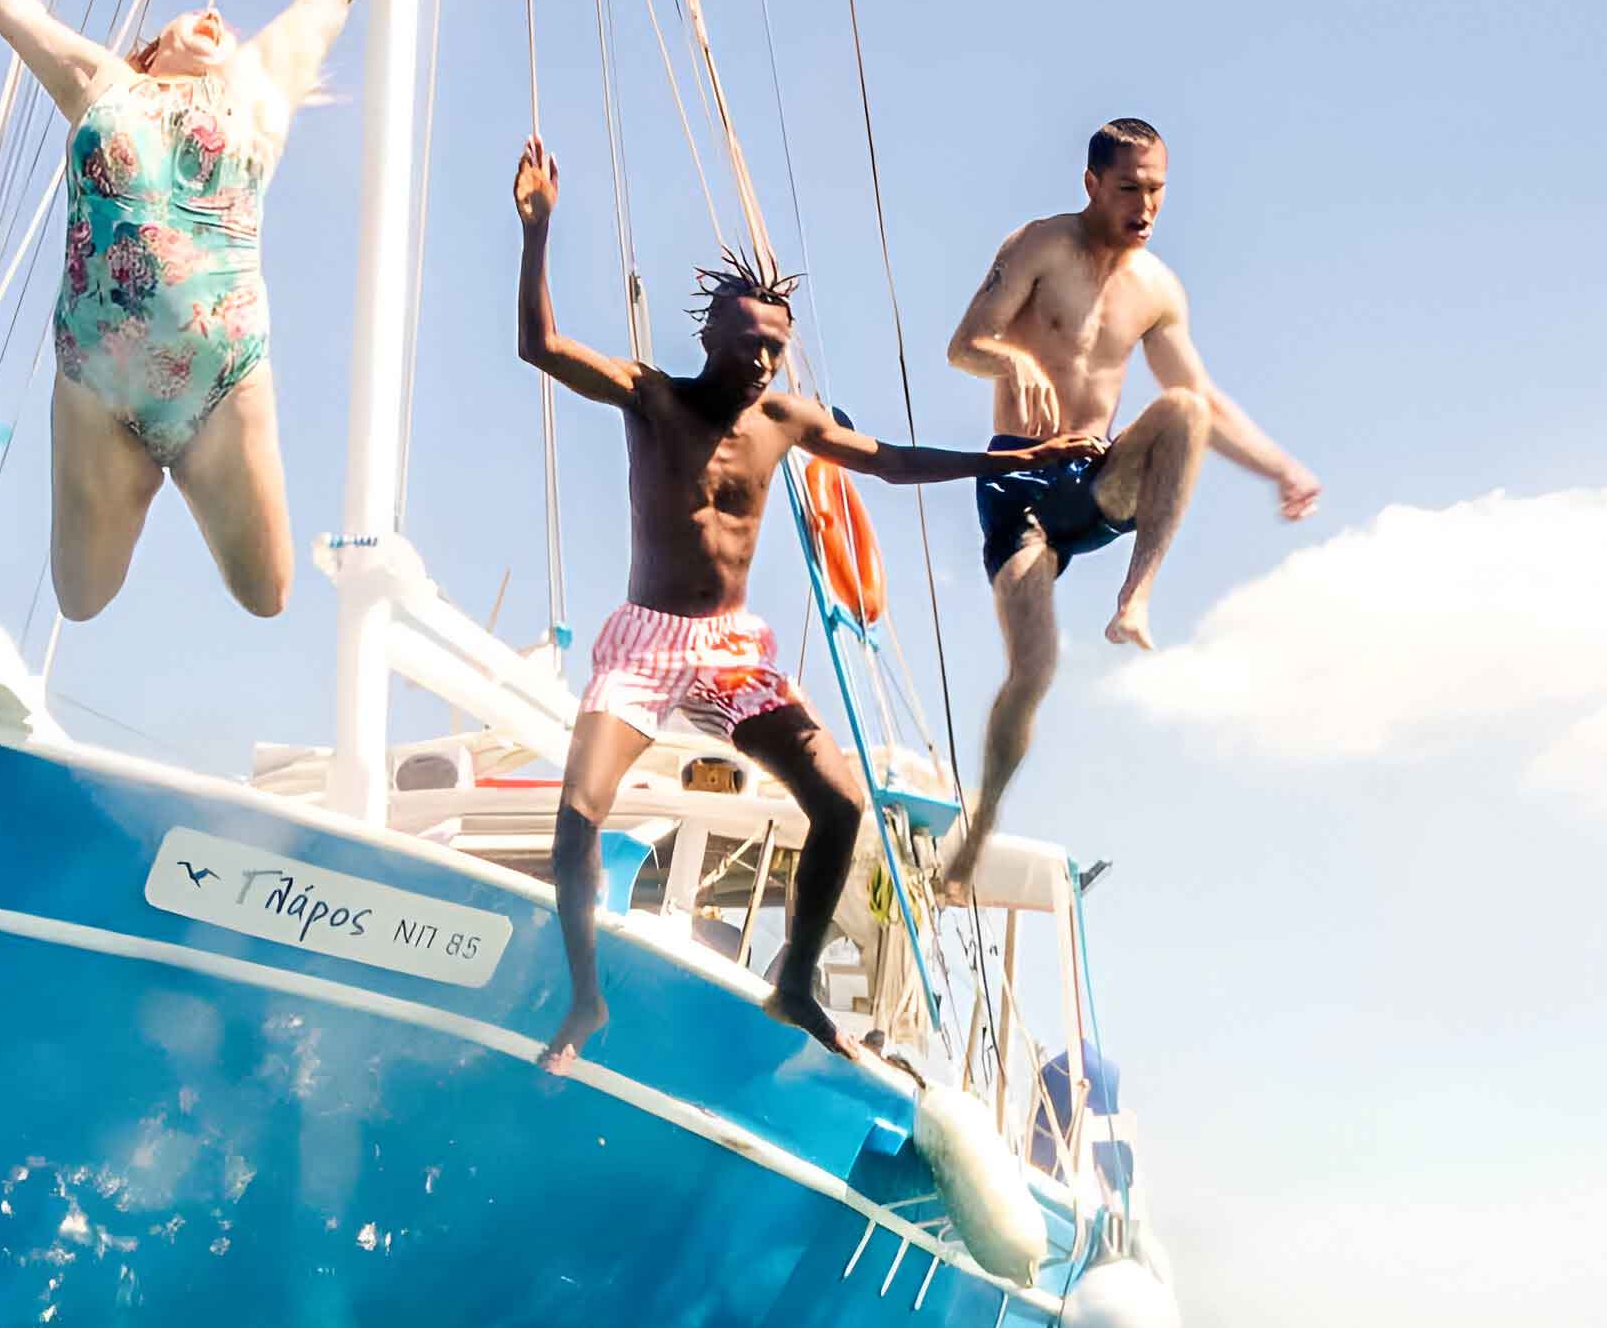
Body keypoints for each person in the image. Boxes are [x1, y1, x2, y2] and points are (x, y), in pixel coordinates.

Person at [513, 136, 1100, 1071]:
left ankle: (794, 979)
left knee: (838, 803)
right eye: (748, 346)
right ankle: (585, 1002)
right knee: (579, 811)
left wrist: (1007, 460)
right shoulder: (651, 397)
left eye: (776, 352)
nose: (761, 365)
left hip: (733, 649)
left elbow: (890, 461)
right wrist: (538, 232)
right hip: (647, 643)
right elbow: (538, 346)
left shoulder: (786, 421)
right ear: (710, 336)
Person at [0, 0, 444, 620]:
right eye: (193, 15)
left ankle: (178, 463)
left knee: (269, 593)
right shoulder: (104, 87)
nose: (217, 16)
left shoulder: (257, 84)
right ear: (150, 48)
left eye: (226, 25)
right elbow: (21, 21)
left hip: (220, 385)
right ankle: (144, 471)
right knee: (80, 598)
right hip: (98, 387)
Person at [941, 117, 1318, 892]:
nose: (1144, 207)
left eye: (1157, 191)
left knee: (1184, 409)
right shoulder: (1038, 247)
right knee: (1034, 671)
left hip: (1095, 482)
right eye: (1128, 190)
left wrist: (1280, 466)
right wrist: (1015, 357)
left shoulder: (1156, 288)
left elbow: (1205, 395)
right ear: (1091, 185)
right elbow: (963, 345)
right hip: (1019, 487)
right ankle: (978, 832)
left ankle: (1135, 596)